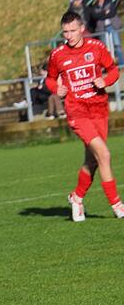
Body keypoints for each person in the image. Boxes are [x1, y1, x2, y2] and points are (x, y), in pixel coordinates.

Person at [46, 12, 124, 221]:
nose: (69, 35)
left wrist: (105, 82)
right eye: (65, 32)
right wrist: (57, 89)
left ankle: (77, 197)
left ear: (82, 29)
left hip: (99, 109)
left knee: (94, 160)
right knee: (105, 155)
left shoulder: (96, 48)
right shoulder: (58, 54)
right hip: (77, 111)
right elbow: (50, 80)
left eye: (72, 30)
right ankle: (117, 205)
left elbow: (114, 71)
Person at [89, 0, 124, 65]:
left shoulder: (110, 2)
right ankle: (109, 65)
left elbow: (112, 13)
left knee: (117, 45)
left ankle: (121, 64)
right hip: (102, 29)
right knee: (105, 48)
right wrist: (105, 12)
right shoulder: (94, 6)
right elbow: (95, 16)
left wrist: (101, 14)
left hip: (112, 26)